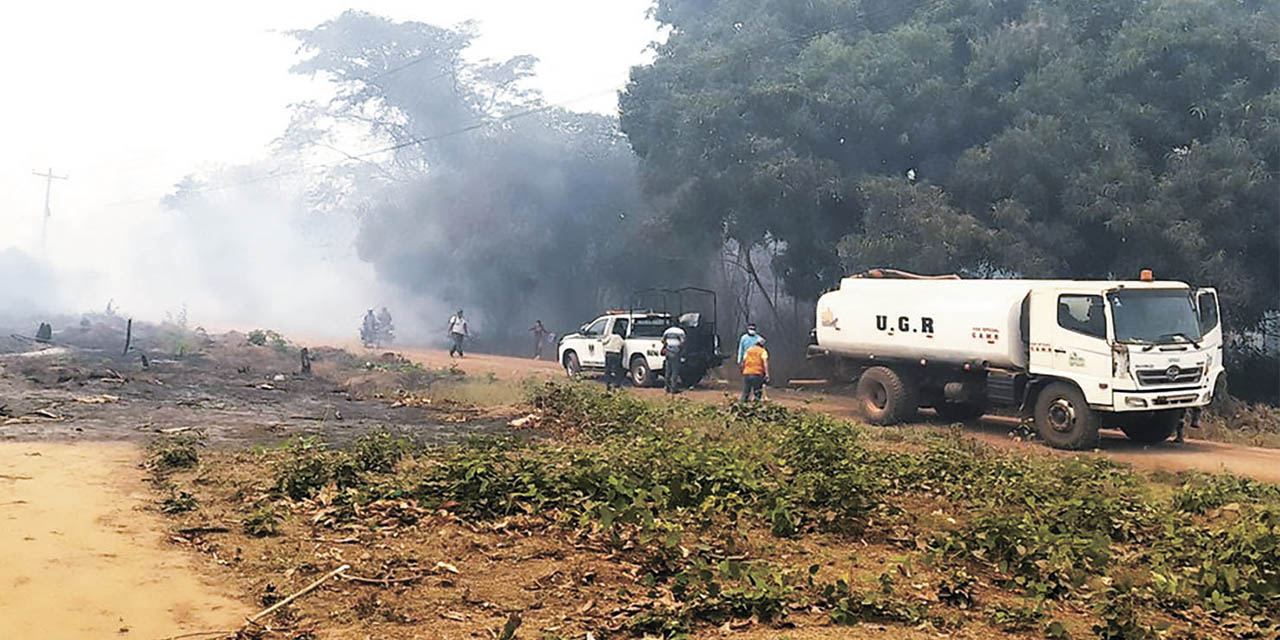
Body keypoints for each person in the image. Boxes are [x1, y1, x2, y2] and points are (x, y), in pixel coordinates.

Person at [740, 337, 770, 403]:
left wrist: (743, 370)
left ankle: (742, 406)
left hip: (747, 373)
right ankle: (756, 406)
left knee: (746, 391)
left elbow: (743, 361)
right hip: (757, 373)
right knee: (757, 392)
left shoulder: (749, 350)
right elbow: (765, 363)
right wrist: (767, 374)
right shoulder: (763, 351)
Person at [661, 322, 687, 394]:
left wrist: (667, 346)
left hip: (668, 352)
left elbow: (663, 340)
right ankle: (673, 389)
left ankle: (666, 388)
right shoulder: (681, 331)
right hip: (676, 353)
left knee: (668, 371)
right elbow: (682, 342)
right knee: (675, 371)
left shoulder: (667, 331)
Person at [602, 322, 625, 390]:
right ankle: (617, 384)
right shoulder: (620, 338)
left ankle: (608, 384)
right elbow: (623, 344)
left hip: (609, 354)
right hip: (616, 355)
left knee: (608, 370)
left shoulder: (610, 336)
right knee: (617, 370)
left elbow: (604, 342)